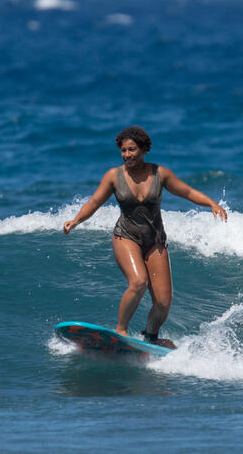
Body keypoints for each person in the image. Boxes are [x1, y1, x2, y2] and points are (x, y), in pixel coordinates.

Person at [63, 126, 227, 348]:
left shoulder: (160, 173)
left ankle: (150, 337)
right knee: (138, 282)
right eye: (123, 150)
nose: (127, 155)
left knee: (163, 302)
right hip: (126, 236)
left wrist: (211, 203)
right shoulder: (114, 176)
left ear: (144, 149)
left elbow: (186, 192)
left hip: (155, 241)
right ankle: (120, 330)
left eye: (132, 149)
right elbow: (94, 202)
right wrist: (76, 220)